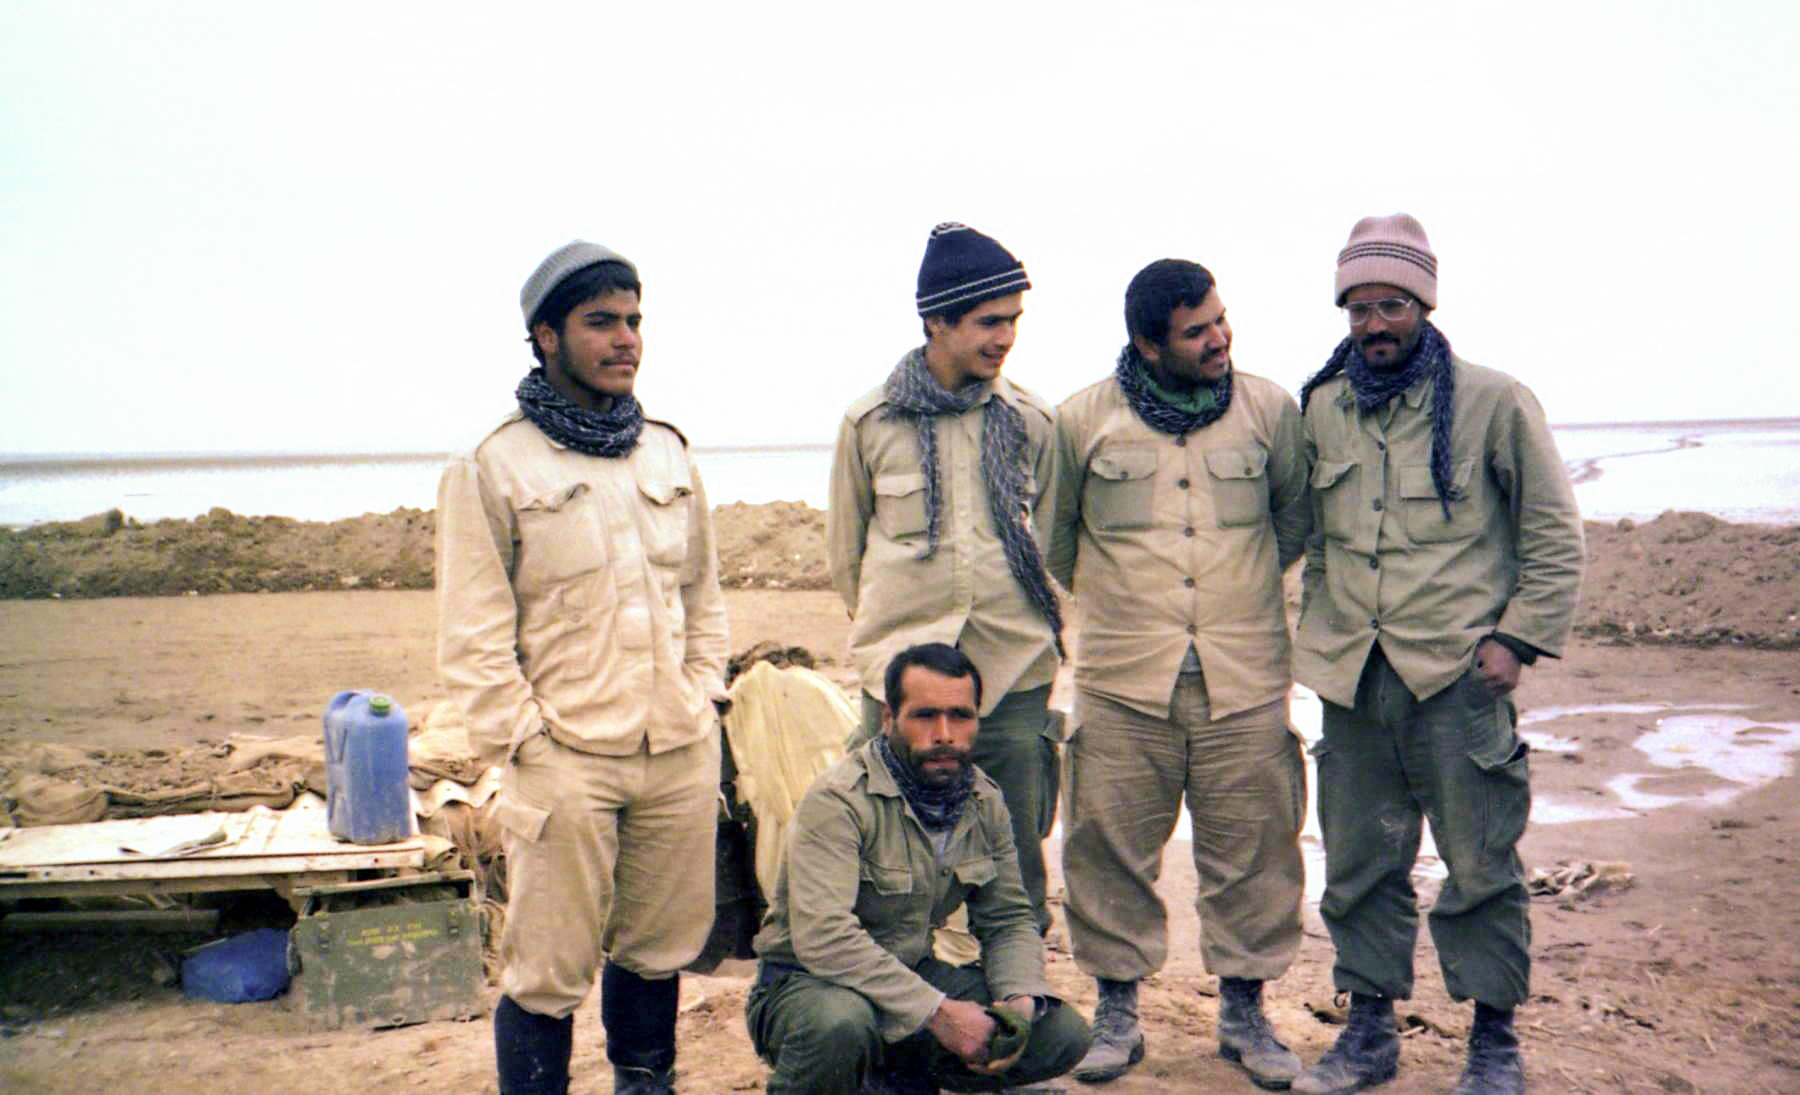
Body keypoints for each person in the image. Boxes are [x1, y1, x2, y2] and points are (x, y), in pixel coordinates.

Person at [1290, 215, 1584, 1095]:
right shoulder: (1323, 408)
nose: (1374, 325)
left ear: (1424, 304)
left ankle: (1493, 1043)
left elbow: (1553, 534)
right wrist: (1318, 638)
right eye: (1358, 310)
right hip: (1355, 680)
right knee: (1358, 864)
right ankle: (1368, 1032)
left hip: (1458, 677)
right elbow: (1317, 541)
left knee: (1481, 865)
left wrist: (1516, 638)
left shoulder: (1495, 401)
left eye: (1392, 306)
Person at [435, 240, 729, 1095]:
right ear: (547, 336)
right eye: (601, 322)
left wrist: (704, 694)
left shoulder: (666, 453)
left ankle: (645, 1082)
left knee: (658, 946)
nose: (626, 338)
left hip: (675, 746)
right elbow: (472, 633)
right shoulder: (494, 464)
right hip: (565, 755)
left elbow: (704, 594)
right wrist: (527, 743)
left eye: (634, 320)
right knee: (546, 967)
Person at [1045, 259, 1310, 1088]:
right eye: (1197, 331)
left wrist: (1228, 600)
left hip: (1244, 675)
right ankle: (1116, 1013)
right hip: (1124, 679)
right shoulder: (1081, 420)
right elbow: (1057, 539)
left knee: (1256, 852)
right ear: (1148, 344)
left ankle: (1245, 1014)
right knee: (1107, 848)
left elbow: (1293, 522)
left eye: (1220, 319)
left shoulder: (1270, 410)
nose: (1220, 338)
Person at [827, 222, 1063, 934]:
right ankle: (894, 979)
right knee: (883, 845)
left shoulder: (1031, 421)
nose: (1006, 337)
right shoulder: (870, 423)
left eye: (1014, 320)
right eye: (990, 321)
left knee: (1012, 851)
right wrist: (892, 648)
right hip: (898, 678)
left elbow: (1052, 545)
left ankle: (1017, 981)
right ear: (937, 320)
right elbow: (847, 557)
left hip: (1012, 670)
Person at [747, 642, 1091, 1094]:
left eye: (960, 716)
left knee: (1059, 1034)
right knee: (839, 1025)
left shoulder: (983, 801)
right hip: (808, 985)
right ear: (889, 718)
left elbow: (1008, 919)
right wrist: (939, 1013)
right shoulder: (839, 801)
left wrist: (1019, 997)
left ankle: (895, 1075)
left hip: (910, 976)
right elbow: (825, 938)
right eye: (925, 716)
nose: (944, 734)